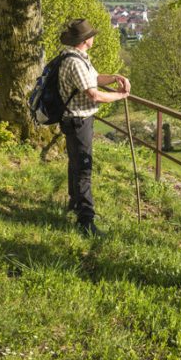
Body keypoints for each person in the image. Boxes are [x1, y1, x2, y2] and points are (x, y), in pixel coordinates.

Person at [58, 18, 131, 236]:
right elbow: (93, 94)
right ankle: (86, 221)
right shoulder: (75, 62)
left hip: (76, 119)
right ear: (85, 40)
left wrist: (116, 77)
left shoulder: (78, 58)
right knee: (84, 168)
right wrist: (119, 96)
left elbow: (95, 79)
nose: (94, 37)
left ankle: (74, 203)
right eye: (91, 35)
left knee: (75, 162)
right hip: (78, 119)